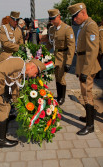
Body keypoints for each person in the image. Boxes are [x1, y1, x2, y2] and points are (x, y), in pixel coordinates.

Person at [0, 57, 46, 148]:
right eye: (35, 73)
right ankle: (0, 140)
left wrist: (18, 104)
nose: (34, 76)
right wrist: (1, 92)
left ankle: (5, 119)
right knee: (5, 107)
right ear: (32, 67)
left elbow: (15, 87)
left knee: (5, 104)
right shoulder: (19, 63)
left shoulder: (21, 70)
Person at [68, 3, 101, 135]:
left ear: (83, 12)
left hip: (88, 65)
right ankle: (89, 117)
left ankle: (90, 125)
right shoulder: (84, 25)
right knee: (84, 93)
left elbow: (93, 51)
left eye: (76, 16)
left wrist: (85, 72)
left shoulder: (90, 25)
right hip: (83, 63)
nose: (74, 19)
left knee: (87, 94)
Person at [45, 9, 75, 105]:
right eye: (50, 19)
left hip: (64, 56)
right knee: (57, 77)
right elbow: (50, 43)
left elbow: (71, 46)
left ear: (59, 16)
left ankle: (62, 97)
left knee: (61, 77)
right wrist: (41, 50)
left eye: (53, 19)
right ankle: (59, 95)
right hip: (55, 56)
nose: (52, 21)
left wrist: (69, 62)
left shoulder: (67, 29)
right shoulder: (51, 29)